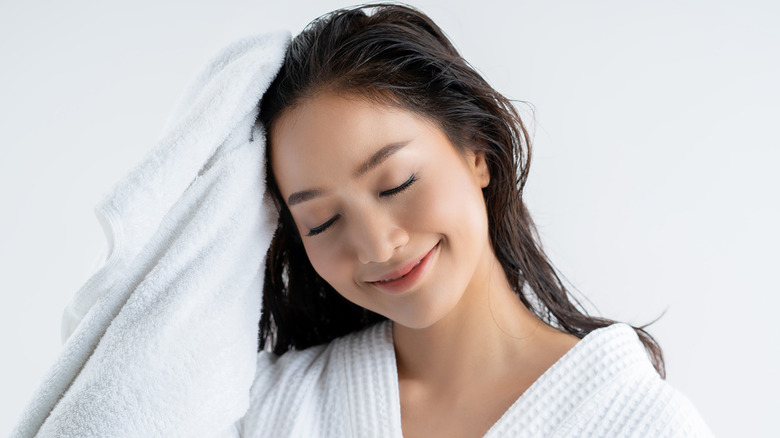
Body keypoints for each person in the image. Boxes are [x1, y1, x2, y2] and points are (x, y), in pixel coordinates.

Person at [241, 3, 712, 437]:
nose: (377, 247)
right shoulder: (268, 409)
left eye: (397, 184)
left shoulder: (641, 423)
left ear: (476, 152)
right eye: (321, 221)